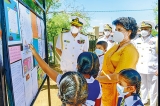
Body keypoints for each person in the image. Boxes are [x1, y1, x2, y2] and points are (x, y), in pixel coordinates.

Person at [97, 17, 139, 106]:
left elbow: (118, 77)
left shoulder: (130, 51)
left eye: (119, 30)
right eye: (115, 29)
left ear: (129, 32)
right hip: (106, 88)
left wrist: (98, 79)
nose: (116, 32)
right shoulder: (116, 46)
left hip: (118, 91)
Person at [134, 20, 158, 106]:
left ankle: (153, 104)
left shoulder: (156, 40)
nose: (143, 30)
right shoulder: (137, 41)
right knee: (142, 87)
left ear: (150, 30)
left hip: (153, 69)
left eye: (146, 28)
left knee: (153, 89)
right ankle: (143, 102)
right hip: (140, 68)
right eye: (142, 28)